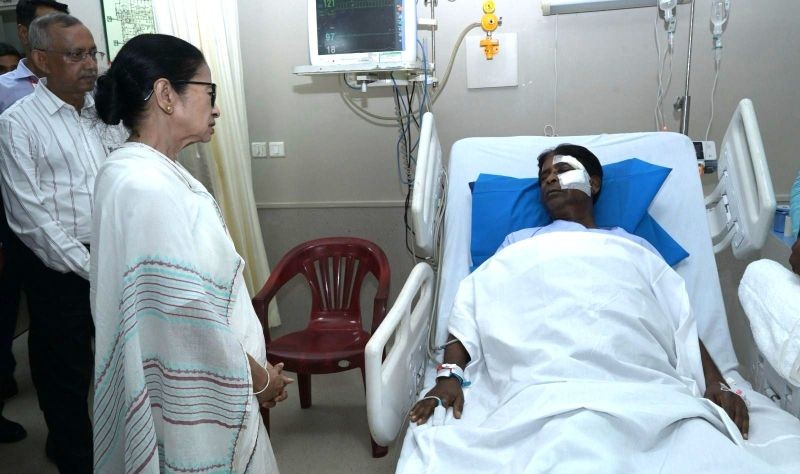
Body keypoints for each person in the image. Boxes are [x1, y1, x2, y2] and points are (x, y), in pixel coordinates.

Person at [403, 144, 763, 472]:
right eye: (544, 177)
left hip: (636, 382)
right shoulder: (518, 242)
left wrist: (716, 383)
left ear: (592, 182)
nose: (549, 180)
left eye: (560, 170)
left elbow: (679, 319)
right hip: (536, 380)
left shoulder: (633, 245)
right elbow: (474, 303)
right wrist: (448, 376)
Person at [92, 33, 291, 473]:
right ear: (166, 95)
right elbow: (187, 319)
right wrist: (259, 380)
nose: (216, 108)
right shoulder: (144, 186)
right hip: (195, 390)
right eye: (209, 92)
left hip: (209, 376)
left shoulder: (143, 172)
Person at [0, 12, 123, 472]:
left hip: (114, 253)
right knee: (65, 370)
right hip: (58, 268)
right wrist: (92, 268)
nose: (90, 64)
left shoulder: (104, 114)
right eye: (75, 55)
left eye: (92, 53)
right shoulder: (17, 123)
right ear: (40, 60)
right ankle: (72, 454)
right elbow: (30, 217)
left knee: (118, 360)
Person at [0, 0, 69, 447]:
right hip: (12, 228)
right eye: (46, 25)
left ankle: (66, 428)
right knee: (9, 319)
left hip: (67, 233)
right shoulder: (5, 92)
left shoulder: (81, 92)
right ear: (25, 33)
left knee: (59, 334)